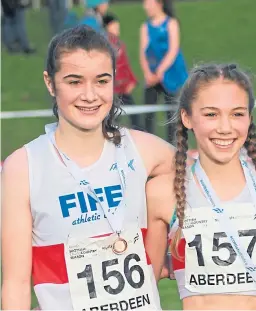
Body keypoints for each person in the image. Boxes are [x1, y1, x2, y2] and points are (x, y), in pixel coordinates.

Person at [1, 25, 175, 310]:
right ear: (50, 83)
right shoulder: (24, 167)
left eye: (102, 81)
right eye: (74, 82)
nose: (90, 95)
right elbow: (15, 284)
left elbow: (209, 184)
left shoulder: (146, 151)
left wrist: (171, 252)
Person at [145, 63, 256, 310]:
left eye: (237, 114)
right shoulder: (162, 193)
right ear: (187, 117)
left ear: (250, 118)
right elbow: (143, 289)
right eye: (211, 114)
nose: (225, 128)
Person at [139, 0, 188, 144]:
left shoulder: (171, 23)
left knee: (172, 115)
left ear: (159, 3)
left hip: (171, 75)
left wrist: (161, 70)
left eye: (148, 3)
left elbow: (173, 50)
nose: (145, 7)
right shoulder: (145, 27)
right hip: (152, 76)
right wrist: (148, 72)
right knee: (148, 112)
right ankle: (147, 144)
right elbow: (143, 52)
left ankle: (172, 147)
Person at [103, 13, 141, 130]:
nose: (117, 30)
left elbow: (125, 65)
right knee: (116, 117)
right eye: (114, 27)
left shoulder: (118, 43)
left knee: (130, 116)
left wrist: (132, 80)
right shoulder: (108, 44)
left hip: (122, 88)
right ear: (107, 27)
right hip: (116, 89)